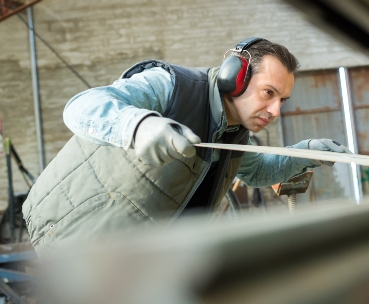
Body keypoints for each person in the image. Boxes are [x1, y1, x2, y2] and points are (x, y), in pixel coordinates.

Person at [22, 38, 350, 256]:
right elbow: (81, 107)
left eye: (283, 100)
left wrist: (307, 152)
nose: (276, 110)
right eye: (268, 93)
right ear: (236, 77)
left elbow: (257, 171)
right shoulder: (172, 86)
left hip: (145, 257)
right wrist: (137, 125)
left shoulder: (235, 133)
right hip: (76, 239)